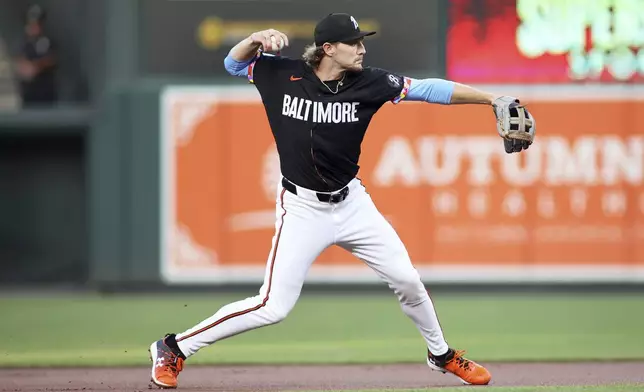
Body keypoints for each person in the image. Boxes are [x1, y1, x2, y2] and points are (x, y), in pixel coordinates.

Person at [149, 13, 534, 389]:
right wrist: (254, 39)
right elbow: (233, 65)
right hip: (302, 208)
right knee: (272, 306)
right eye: (355, 43)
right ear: (328, 48)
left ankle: (440, 354)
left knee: (407, 280)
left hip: (352, 204)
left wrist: (489, 99)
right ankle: (173, 348)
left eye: (363, 41)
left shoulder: (371, 82)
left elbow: (428, 89)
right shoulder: (280, 74)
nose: (362, 49)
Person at [13, 4, 58, 107]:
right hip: (28, 93)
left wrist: (36, 66)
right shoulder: (24, 43)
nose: (33, 27)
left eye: (36, 24)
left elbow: (51, 59)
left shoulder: (46, 41)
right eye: (30, 24)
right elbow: (18, 60)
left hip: (44, 93)